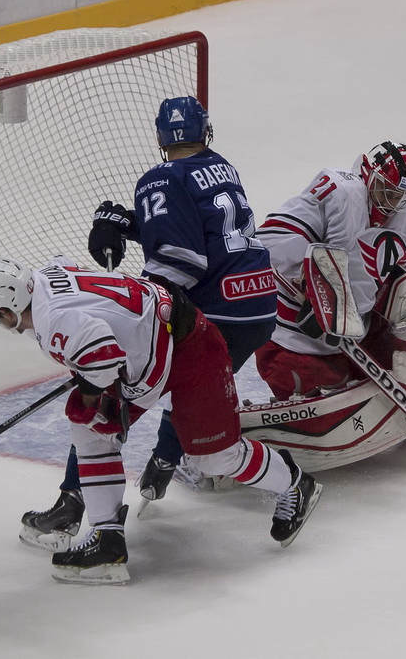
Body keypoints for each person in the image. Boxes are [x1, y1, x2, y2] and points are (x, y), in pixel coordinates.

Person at [19, 97, 277, 550]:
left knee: (108, 403)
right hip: (257, 303)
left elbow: (184, 261)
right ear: (206, 131)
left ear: (160, 137)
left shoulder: (159, 177)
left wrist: (138, 304)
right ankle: (164, 459)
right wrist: (128, 223)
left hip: (213, 311)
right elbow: (201, 230)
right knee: (193, 390)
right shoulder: (222, 167)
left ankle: (73, 503)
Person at [0, 256, 321, 585]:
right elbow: (75, 280)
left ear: (7, 308)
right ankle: (108, 540)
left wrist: (90, 397)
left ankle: (295, 483)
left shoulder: (56, 320)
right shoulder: (46, 278)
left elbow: (101, 359)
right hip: (154, 345)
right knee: (92, 431)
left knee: (214, 457)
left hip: (191, 349)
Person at [255, 140, 406, 400]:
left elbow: (400, 265)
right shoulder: (345, 192)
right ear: (366, 172)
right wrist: (314, 292)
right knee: (325, 390)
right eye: (387, 189)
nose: (393, 200)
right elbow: (276, 247)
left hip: (357, 321)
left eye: (400, 194)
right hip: (289, 320)